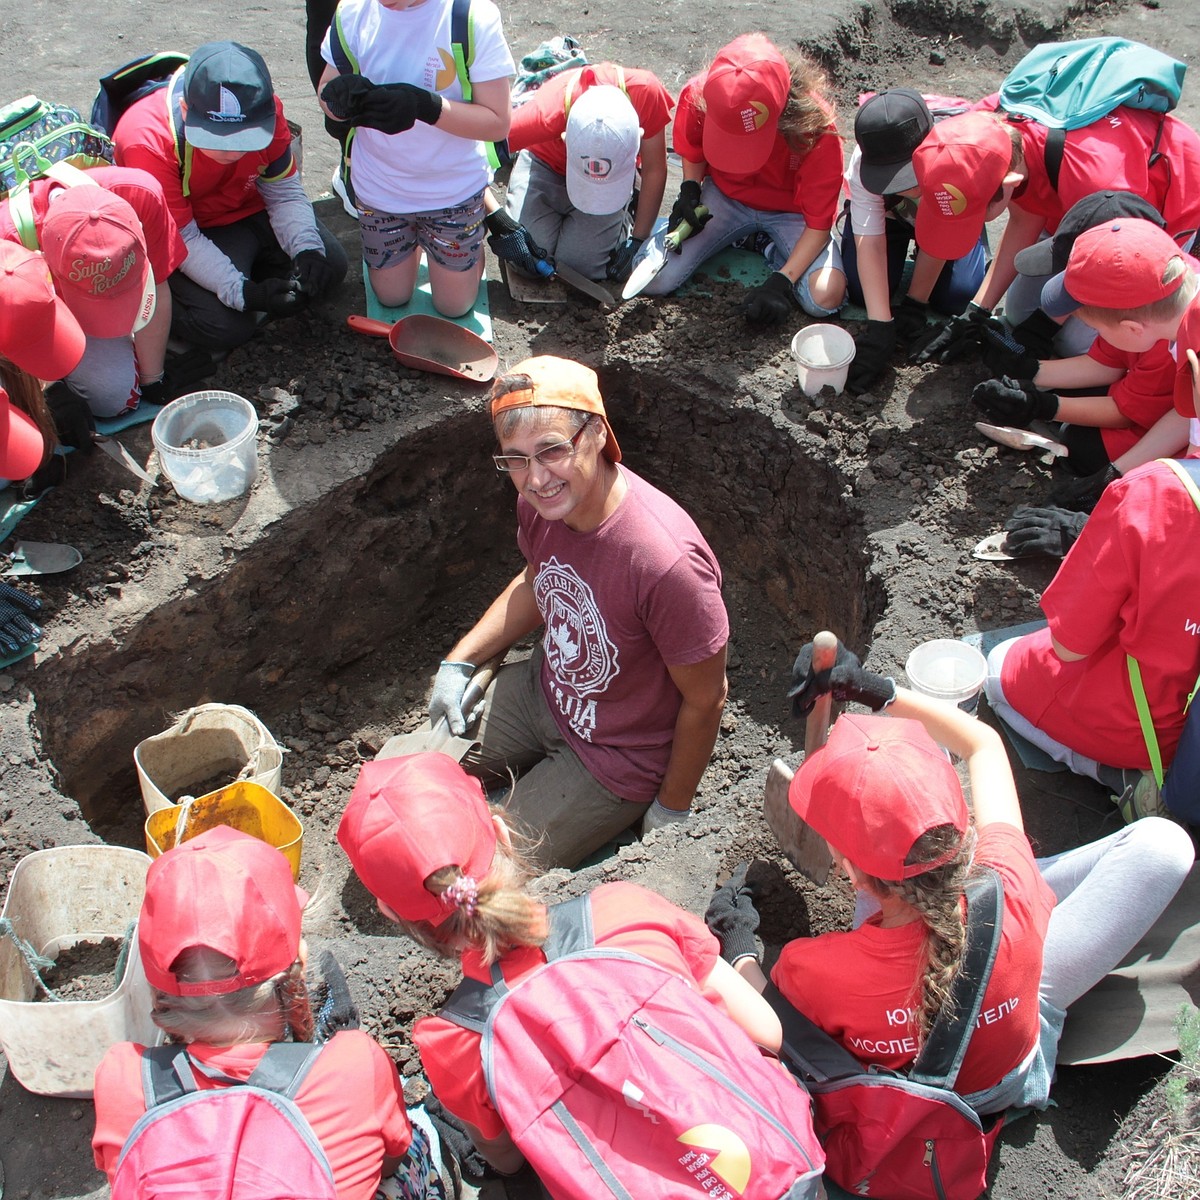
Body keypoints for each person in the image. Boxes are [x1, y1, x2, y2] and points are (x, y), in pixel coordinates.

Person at [707, 641, 1194, 1117]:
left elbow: (775, 1025)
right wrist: (877, 691)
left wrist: (740, 947)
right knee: (1164, 845)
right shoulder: (1010, 880)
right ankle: (1020, 992)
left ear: (850, 872)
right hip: (1010, 1049)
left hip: (925, 1108)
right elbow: (982, 744)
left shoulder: (815, 968)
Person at [337, 752, 788, 1177]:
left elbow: (509, 1161)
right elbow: (767, 1033)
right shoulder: (627, 911)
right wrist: (739, 945)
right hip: (769, 1163)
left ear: (392, 914)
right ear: (504, 834)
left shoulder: (455, 1041)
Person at [406, 355, 729, 867]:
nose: (535, 479)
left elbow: (707, 699)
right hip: (545, 693)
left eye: (552, 450)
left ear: (597, 434)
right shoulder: (541, 504)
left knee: (478, 874)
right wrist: (461, 660)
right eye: (515, 458)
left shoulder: (665, 563)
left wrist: (672, 806)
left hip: (615, 756)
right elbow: (541, 580)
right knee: (401, 787)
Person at [91, 825, 455, 1200]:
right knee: (418, 1132)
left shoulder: (122, 1080)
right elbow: (388, 1160)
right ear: (299, 963)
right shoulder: (354, 1064)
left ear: (157, 988)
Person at [908, 101, 1200, 364]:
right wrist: (976, 310)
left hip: (1152, 220)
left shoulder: (1098, 180)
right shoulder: (983, 130)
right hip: (1075, 210)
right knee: (1021, 314)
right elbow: (1027, 217)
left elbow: (1109, 265)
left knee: (1078, 343)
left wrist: (1045, 327)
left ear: (1011, 181)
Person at [115, 41, 348, 350]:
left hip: (248, 207)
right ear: (185, 111)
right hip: (191, 229)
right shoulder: (147, 141)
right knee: (224, 328)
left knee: (328, 266)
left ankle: (254, 273)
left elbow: (284, 194)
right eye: (216, 138)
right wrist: (245, 293)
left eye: (246, 139)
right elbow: (182, 236)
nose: (232, 151)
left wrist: (307, 250)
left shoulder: (269, 113)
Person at [972, 191, 1190, 496]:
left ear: (1131, 329)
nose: (1078, 321)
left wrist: (1042, 406)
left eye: (1091, 323)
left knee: (1084, 449)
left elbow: (1130, 411)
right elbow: (1108, 363)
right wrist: (1029, 371)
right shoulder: (1162, 300)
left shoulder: (1170, 350)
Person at [318, 0, 513, 318]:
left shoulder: (470, 17)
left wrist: (427, 107)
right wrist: (339, 100)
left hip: (453, 190)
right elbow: (327, 86)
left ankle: (461, 251)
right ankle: (420, 247)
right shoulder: (353, 13)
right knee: (391, 297)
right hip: (381, 189)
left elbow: (497, 122)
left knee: (454, 306)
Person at [641, 33, 846, 324]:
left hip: (791, 213)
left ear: (783, 113)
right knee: (654, 279)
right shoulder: (700, 95)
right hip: (725, 199)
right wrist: (689, 190)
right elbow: (693, 149)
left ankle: (765, 243)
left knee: (825, 297)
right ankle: (743, 237)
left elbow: (819, 222)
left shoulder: (816, 128)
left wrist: (782, 282)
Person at [0, 170, 185, 417]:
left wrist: (153, 378)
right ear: (43, 260)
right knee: (111, 396)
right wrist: (42, 396)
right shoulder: (7, 247)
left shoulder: (140, 193)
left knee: (116, 399)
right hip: (26, 318)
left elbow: (158, 283)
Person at [841, 88, 986, 393]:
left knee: (957, 296)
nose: (905, 187)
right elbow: (870, 238)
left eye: (907, 176)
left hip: (948, 214)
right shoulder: (863, 164)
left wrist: (915, 303)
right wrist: (880, 326)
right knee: (858, 290)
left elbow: (944, 231)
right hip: (893, 218)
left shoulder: (957, 159)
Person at [489, 64, 673, 282]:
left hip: (614, 176)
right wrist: (497, 218)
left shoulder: (646, 93)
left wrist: (638, 240)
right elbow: (465, 159)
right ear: (564, 137)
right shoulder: (544, 115)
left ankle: (627, 211)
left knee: (582, 268)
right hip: (545, 165)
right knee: (527, 258)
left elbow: (654, 168)